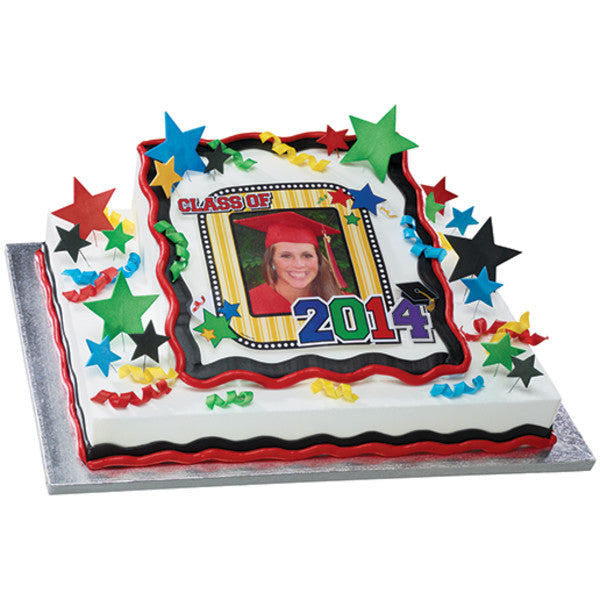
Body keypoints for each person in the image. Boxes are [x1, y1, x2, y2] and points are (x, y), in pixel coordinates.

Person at [236, 211, 347, 316]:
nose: (299, 264)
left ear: (318, 260)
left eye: (307, 255)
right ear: (271, 261)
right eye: (286, 256)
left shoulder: (344, 302)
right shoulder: (245, 304)